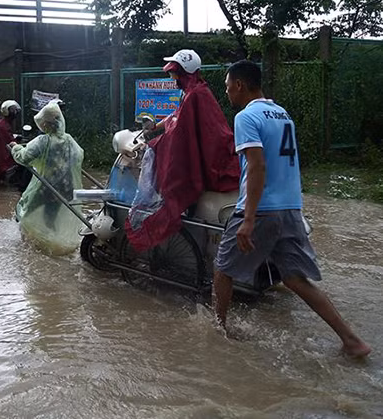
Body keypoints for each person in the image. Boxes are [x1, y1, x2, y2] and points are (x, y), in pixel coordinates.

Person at [213, 60, 370, 358]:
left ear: (239, 85)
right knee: (295, 279)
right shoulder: (282, 114)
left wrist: (247, 218)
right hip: (290, 207)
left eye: (227, 86)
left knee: (222, 270)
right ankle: (352, 341)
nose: (228, 93)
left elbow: (257, 166)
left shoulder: (246, 117)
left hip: (261, 208)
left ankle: (218, 332)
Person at [125, 49, 240, 252]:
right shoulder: (195, 91)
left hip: (212, 158)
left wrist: (155, 144)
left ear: (183, 73)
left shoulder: (195, 95)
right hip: (217, 153)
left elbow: (180, 137)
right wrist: (155, 127)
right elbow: (176, 118)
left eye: (174, 73)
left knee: (153, 156)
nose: (172, 78)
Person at [9, 100, 84, 255]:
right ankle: (53, 245)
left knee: (26, 214)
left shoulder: (43, 140)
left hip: (46, 187)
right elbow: (78, 156)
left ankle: (29, 249)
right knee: (50, 217)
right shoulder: (69, 140)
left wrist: (15, 147)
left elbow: (24, 157)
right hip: (66, 187)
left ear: (47, 124)